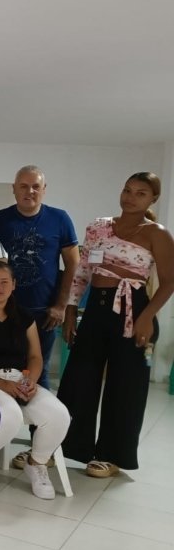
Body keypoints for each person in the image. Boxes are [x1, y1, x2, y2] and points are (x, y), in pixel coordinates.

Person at [58, 172, 174, 478]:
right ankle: (66, 447)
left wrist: (147, 316)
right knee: (78, 379)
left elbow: (169, 281)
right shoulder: (99, 226)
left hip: (134, 311)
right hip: (96, 308)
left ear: (153, 199)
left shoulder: (157, 233)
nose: (130, 197)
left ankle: (111, 455)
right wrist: (71, 310)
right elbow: (82, 271)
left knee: (126, 387)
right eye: (127, 190)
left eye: (140, 193)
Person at [0, 261, 71, 500]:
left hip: (18, 378)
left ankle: (36, 462)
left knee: (59, 415)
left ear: (14, 285)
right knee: (9, 414)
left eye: (4, 282)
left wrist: (31, 381)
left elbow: (36, 356)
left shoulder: (24, 315)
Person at [0, 165, 79, 388]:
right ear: (14, 189)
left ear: (44, 189)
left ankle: (41, 423)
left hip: (44, 312)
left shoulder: (60, 218)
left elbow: (74, 263)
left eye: (36, 186)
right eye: (24, 186)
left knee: (38, 371)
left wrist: (61, 305)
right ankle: (4, 420)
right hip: (3, 310)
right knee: (1, 369)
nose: (30, 191)